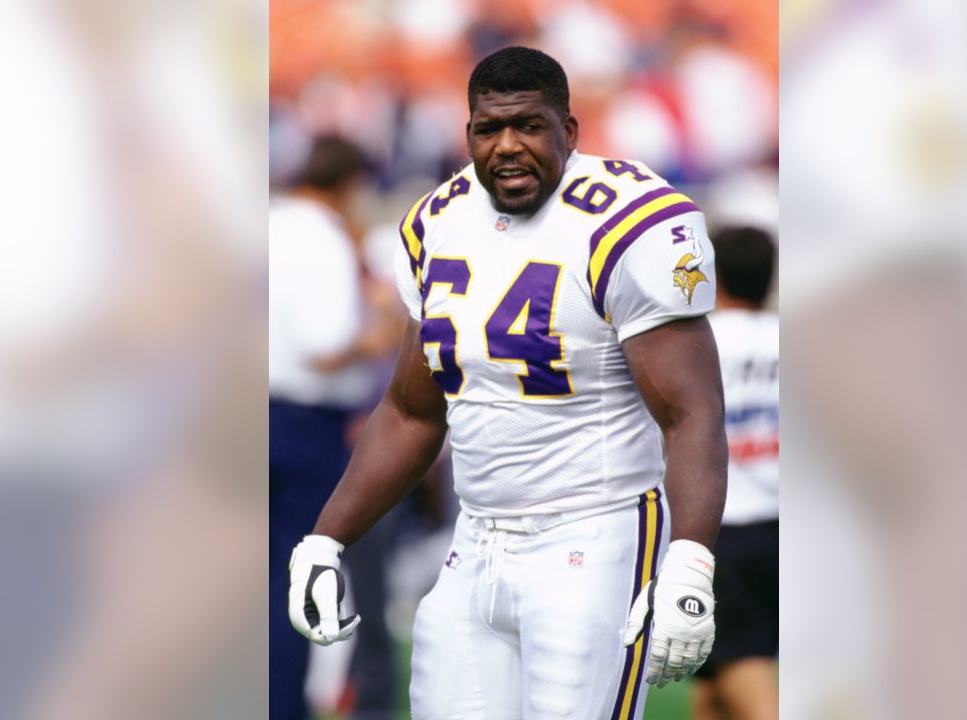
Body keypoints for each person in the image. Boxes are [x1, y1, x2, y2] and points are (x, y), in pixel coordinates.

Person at [287, 46, 727, 719]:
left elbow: (692, 412)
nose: (508, 147)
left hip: (596, 537)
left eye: (529, 125)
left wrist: (691, 562)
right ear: (467, 135)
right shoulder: (437, 222)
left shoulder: (628, 222)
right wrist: (325, 539)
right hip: (476, 542)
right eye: (489, 129)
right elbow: (411, 410)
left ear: (570, 132)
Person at [269, 135, 396, 720]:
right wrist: (386, 330)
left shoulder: (269, 221)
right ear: (349, 185)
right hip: (302, 424)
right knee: (295, 582)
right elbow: (326, 346)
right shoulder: (320, 237)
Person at [691, 226, 779, 720]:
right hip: (785, 524)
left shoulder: (701, 342)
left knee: (742, 673)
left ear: (714, 276)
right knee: (715, 688)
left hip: (725, 527)